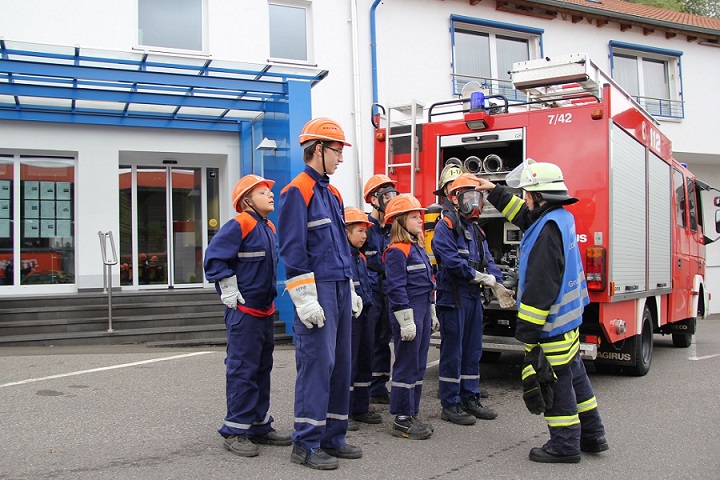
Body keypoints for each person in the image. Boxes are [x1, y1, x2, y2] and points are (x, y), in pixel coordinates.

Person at [474, 159, 608, 463]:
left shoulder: (546, 230)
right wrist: (494, 190)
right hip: (569, 319)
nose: (524, 199)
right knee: (575, 378)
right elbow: (524, 215)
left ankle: (565, 445)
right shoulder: (559, 217)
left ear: (538, 196)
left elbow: (539, 287)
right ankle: (592, 435)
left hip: (551, 324)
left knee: (554, 382)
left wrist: (527, 334)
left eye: (527, 194)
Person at [278, 117, 363, 470]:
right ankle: (306, 443)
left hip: (340, 285)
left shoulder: (333, 193)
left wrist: (351, 286)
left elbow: (340, 245)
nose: (341, 158)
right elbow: (292, 248)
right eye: (337, 151)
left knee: (341, 364)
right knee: (317, 364)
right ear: (318, 149)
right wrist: (304, 298)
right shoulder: (297, 191)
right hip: (317, 289)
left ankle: (333, 436)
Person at [203, 174, 292, 457]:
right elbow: (214, 258)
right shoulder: (240, 223)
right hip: (243, 313)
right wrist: (227, 287)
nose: (271, 194)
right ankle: (234, 430)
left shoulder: (269, 227)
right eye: (263, 191)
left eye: (269, 191)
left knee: (262, 369)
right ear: (246, 200)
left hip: (263, 312)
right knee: (242, 369)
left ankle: (258, 425)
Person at [432, 173, 515, 426]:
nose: (474, 202)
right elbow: (451, 262)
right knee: (453, 352)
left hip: (472, 298)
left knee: (472, 350)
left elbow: (488, 260)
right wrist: (479, 277)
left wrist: (498, 282)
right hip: (453, 296)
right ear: (455, 199)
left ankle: (470, 397)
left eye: (477, 196)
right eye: (468, 196)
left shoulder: (477, 230)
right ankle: (450, 403)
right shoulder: (445, 226)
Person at [383, 194, 438, 440]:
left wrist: (432, 310)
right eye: (414, 217)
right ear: (401, 221)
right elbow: (396, 289)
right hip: (409, 310)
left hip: (422, 307)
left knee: (418, 363)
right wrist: (406, 321)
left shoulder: (417, 248)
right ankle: (402, 418)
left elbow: (428, 282)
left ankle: (412, 411)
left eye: (419, 216)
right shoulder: (396, 251)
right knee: (406, 364)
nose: (420, 220)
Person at [344, 207, 382, 430]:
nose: (364, 236)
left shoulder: (360, 257)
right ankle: (344, 411)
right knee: (349, 363)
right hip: (351, 317)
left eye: (366, 232)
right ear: (346, 232)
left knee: (365, 360)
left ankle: (360, 407)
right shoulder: (343, 258)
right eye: (359, 231)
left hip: (366, 313)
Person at [362, 174, 398, 405]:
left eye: (393, 194)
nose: (390, 199)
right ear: (374, 200)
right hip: (370, 293)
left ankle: (378, 387)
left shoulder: (394, 228)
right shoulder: (364, 228)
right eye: (386, 195)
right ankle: (361, 390)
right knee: (368, 340)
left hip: (388, 293)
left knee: (384, 340)